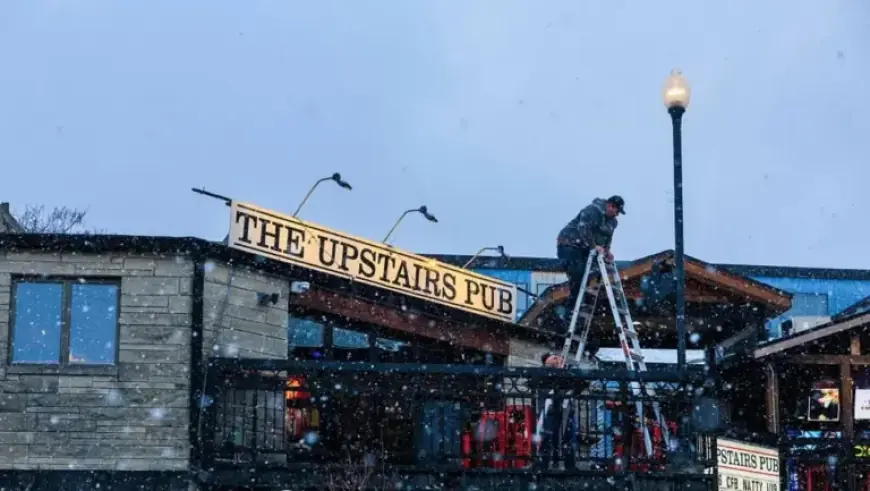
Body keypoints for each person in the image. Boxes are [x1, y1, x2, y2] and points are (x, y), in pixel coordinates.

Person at [556, 195, 626, 327]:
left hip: (586, 249)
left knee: (593, 275)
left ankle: (580, 311)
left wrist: (607, 251)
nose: (617, 215)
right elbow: (583, 228)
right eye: (616, 211)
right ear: (610, 205)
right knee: (578, 274)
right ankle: (569, 316)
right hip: (569, 245)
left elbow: (607, 238)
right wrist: (594, 246)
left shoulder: (612, 222)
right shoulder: (593, 210)